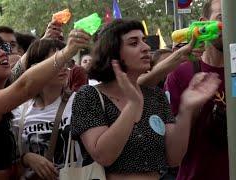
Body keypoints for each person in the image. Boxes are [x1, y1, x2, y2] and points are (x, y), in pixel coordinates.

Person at [71, 19, 221, 180]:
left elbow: (174, 158)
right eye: (134, 43)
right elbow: (104, 156)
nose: (147, 47)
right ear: (112, 52)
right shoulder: (89, 96)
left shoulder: (155, 96)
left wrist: (186, 109)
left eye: (143, 40)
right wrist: (133, 105)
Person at [0, 30, 90, 180]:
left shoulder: (0, 92)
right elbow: (24, 85)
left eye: (4, 47)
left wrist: (25, 159)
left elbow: (19, 71)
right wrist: (67, 52)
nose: (3, 53)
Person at [164, 0, 228, 179]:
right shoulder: (181, 74)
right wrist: (187, 109)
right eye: (222, 17)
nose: (230, 24)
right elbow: (173, 156)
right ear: (203, 23)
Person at [18, 38, 76, 180]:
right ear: (35, 68)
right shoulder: (18, 111)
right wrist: (26, 158)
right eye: (56, 62)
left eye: (67, 62)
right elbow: (10, 161)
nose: (64, 68)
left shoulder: (80, 101)